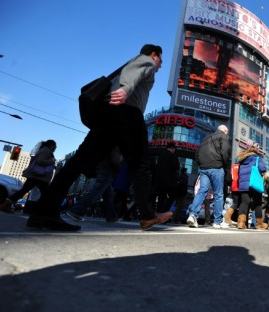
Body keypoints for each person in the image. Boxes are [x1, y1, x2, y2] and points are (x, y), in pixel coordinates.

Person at [26, 44, 171, 231]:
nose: (160, 65)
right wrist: (126, 89)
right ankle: (148, 216)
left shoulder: (128, 64)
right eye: (161, 60)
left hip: (108, 114)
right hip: (128, 114)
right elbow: (135, 71)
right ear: (154, 55)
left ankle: (43, 212)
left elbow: (128, 71)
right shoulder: (146, 60)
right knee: (140, 164)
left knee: (78, 161)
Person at [186, 125, 232, 229]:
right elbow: (225, 152)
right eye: (227, 132)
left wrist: (201, 164)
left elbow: (197, 153)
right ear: (224, 131)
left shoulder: (205, 138)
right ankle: (217, 221)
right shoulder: (224, 136)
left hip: (203, 168)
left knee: (202, 191)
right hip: (217, 167)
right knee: (219, 194)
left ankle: (193, 215)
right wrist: (225, 165)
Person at [0, 140, 57, 213]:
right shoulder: (46, 150)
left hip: (36, 176)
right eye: (55, 146)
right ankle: (44, 211)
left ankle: (5, 205)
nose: (55, 148)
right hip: (39, 177)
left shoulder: (44, 150)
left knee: (23, 191)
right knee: (47, 193)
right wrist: (52, 160)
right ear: (51, 145)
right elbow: (40, 161)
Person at [65, 148, 121, 223]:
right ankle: (75, 210)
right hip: (107, 170)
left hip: (102, 168)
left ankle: (112, 216)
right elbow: (115, 159)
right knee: (96, 192)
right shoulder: (116, 143)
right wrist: (119, 169)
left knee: (108, 196)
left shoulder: (106, 142)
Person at [235, 144, 268, 230]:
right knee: (257, 203)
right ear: (256, 152)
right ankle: (259, 224)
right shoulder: (257, 158)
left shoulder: (242, 160)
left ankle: (241, 223)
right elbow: (263, 169)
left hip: (243, 184)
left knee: (244, 202)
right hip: (254, 183)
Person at [155, 142, 181, 213]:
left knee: (161, 197)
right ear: (172, 148)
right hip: (170, 182)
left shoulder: (161, 156)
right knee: (172, 196)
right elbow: (176, 167)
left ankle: (159, 212)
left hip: (160, 181)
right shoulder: (172, 155)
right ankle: (164, 211)